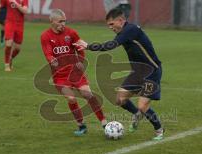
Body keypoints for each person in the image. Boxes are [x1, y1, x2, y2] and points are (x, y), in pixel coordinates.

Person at [74, 8, 164, 140]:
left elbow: (111, 45)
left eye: (112, 24)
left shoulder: (130, 30)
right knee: (120, 100)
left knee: (142, 105)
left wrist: (88, 46)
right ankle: (136, 114)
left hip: (152, 71)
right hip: (137, 73)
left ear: (121, 21)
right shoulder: (125, 32)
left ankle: (159, 130)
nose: (110, 27)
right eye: (108, 25)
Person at [40, 9, 107, 136]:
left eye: (64, 21)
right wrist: (51, 59)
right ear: (52, 21)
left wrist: (81, 59)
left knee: (88, 95)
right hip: (59, 76)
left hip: (75, 72)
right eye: (60, 21)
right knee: (71, 98)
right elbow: (47, 52)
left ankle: (104, 123)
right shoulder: (45, 36)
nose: (63, 24)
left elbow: (80, 48)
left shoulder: (71, 33)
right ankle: (81, 125)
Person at [0, 0, 28, 71]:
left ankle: (10, 58)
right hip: (9, 23)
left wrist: (16, 4)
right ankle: (6, 65)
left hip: (19, 25)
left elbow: (25, 11)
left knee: (18, 49)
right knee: (8, 44)